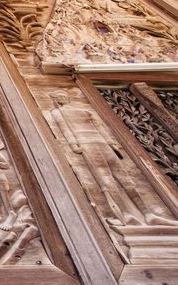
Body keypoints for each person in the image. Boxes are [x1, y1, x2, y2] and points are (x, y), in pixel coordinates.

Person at [49, 90, 178, 226]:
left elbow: (68, 129)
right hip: (95, 143)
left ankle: (137, 214)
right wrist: (109, 143)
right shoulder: (79, 111)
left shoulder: (63, 112)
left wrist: (76, 145)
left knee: (111, 177)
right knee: (114, 177)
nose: (61, 99)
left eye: (60, 97)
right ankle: (134, 214)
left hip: (90, 144)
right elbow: (74, 128)